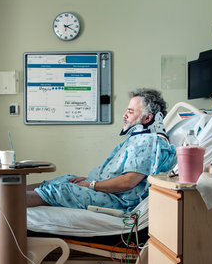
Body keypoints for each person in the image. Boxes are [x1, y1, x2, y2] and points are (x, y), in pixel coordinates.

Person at [26, 88, 176, 212]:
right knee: (64, 179)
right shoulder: (138, 140)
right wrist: (90, 180)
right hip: (103, 189)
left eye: (130, 111)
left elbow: (128, 182)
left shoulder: (149, 141)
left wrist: (92, 185)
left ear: (147, 118)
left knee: (58, 191)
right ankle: (5, 193)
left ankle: (7, 201)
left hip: (117, 200)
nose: (124, 115)